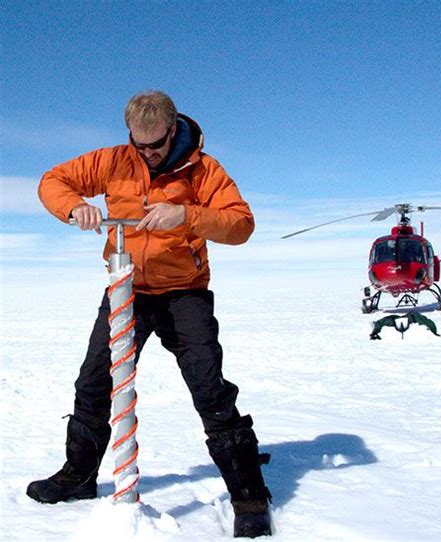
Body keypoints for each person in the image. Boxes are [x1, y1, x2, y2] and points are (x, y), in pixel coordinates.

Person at [27, 90, 272, 538]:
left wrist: (185, 214)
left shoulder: (203, 168)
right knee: (95, 381)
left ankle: (248, 493)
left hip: (185, 294)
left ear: (173, 130)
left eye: (155, 145)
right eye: (139, 145)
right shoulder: (115, 161)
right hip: (128, 291)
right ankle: (79, 477)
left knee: (208, 387)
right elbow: (52, 180)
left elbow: (241, 224)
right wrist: (74, 206)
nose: (147, 154)